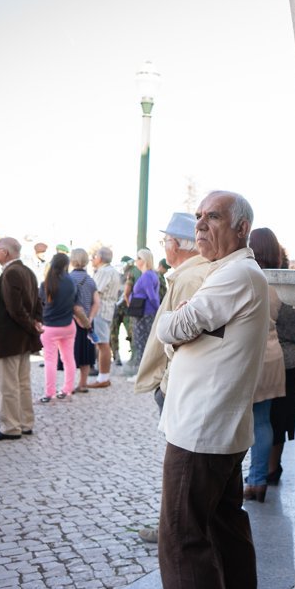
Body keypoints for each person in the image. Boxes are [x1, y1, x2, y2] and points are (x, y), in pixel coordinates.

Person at [155, 190, 269, 589]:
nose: (200, 223)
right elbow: (193, 332)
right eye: (199, 215)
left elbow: (177, 327)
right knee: (224, 530)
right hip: (215, 426)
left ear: (242, 229)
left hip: (200, 430)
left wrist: (172, 323)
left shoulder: (234, 274)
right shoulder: (230, 272)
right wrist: (182, 327)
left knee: (182, 540)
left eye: (213, 216)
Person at [134, 211, 213, 543]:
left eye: (166, 240)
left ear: (179, 245)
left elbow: (180, 335)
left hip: (177, 381)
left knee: (179, 466)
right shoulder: (188, 273)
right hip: (177, 380)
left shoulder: (189, 277)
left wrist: (162, 378)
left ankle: (173, 528)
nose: (164, 246)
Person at [243, 227, 286, 503]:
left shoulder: (249, 277)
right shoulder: (280, 281)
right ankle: (258, 480)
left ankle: (248, 480)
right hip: (274, 354)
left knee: (239, 420)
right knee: (263, 421)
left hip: (250, 354)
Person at [0, 237, 42, 441]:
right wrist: (36, 323)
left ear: (5, 252)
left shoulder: (10, 274)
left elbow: (14, 309)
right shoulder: (28, 272)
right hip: (24, 338)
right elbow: (37, 302)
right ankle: (26, 423)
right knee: (23, 383)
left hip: (9, 338)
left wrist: (33, 325)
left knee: (8, 385)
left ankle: (10, 426)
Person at [267, 246, 295, 485]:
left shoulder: (267, 289)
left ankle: (264, 471)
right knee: (280, 419)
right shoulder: (290, 289)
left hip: (273, 360)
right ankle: (272, 467)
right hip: (291, 360)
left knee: (266, 419)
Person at [38, 253, 77, 403]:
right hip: (68, 325)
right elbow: (76, 302)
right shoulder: (71, 282)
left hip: (49, 327)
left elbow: (41, 303)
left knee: (50, 361)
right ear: (66, 265)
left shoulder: (46, 283)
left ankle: (49, 393)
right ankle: (67, 390)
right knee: (68, 359)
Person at [86, 247, 121, 388]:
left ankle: (103, 378)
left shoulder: (104, 272)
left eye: (94, 256)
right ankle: (103, 376)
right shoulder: (111, 271)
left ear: (100, 258)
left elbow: (95, 291)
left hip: (100, 310)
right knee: (102, 343)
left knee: (102, 344)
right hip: (106, 309)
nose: (92, 259)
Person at [124, 248, 160, 377]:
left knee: (141, 343)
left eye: (138, 258)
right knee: (142, 343)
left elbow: (153, 297)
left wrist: (159, 311)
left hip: (144, 314)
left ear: (144, 260)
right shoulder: (149, 275)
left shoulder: (147, 276)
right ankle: (144, 373)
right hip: (143, 313)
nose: (136, 261)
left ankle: (141, 374)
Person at [68, 248, 99, 393]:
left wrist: (77, 317)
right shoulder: (90, 280)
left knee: (71, 353)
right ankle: (83, 383)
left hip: (72, 321)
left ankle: (69, 385)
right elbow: (96, 302)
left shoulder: (68, 279)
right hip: (88, 322)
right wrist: (89, 319)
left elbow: (67, 302)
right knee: (86, 353)